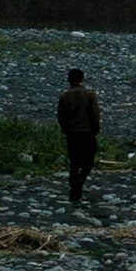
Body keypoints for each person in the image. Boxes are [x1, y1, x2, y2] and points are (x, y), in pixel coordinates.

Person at [58, 67, 102, 210]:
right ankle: (80, 181)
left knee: (74, 161)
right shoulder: (90, 95)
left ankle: (74, 185)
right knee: (88, 160)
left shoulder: (65, 96)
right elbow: (95, 115)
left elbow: (61, 116)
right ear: (82, 79)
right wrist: (95, 130)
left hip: (72, 133)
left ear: (69, 80)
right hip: (88, 133)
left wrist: (65, 129)